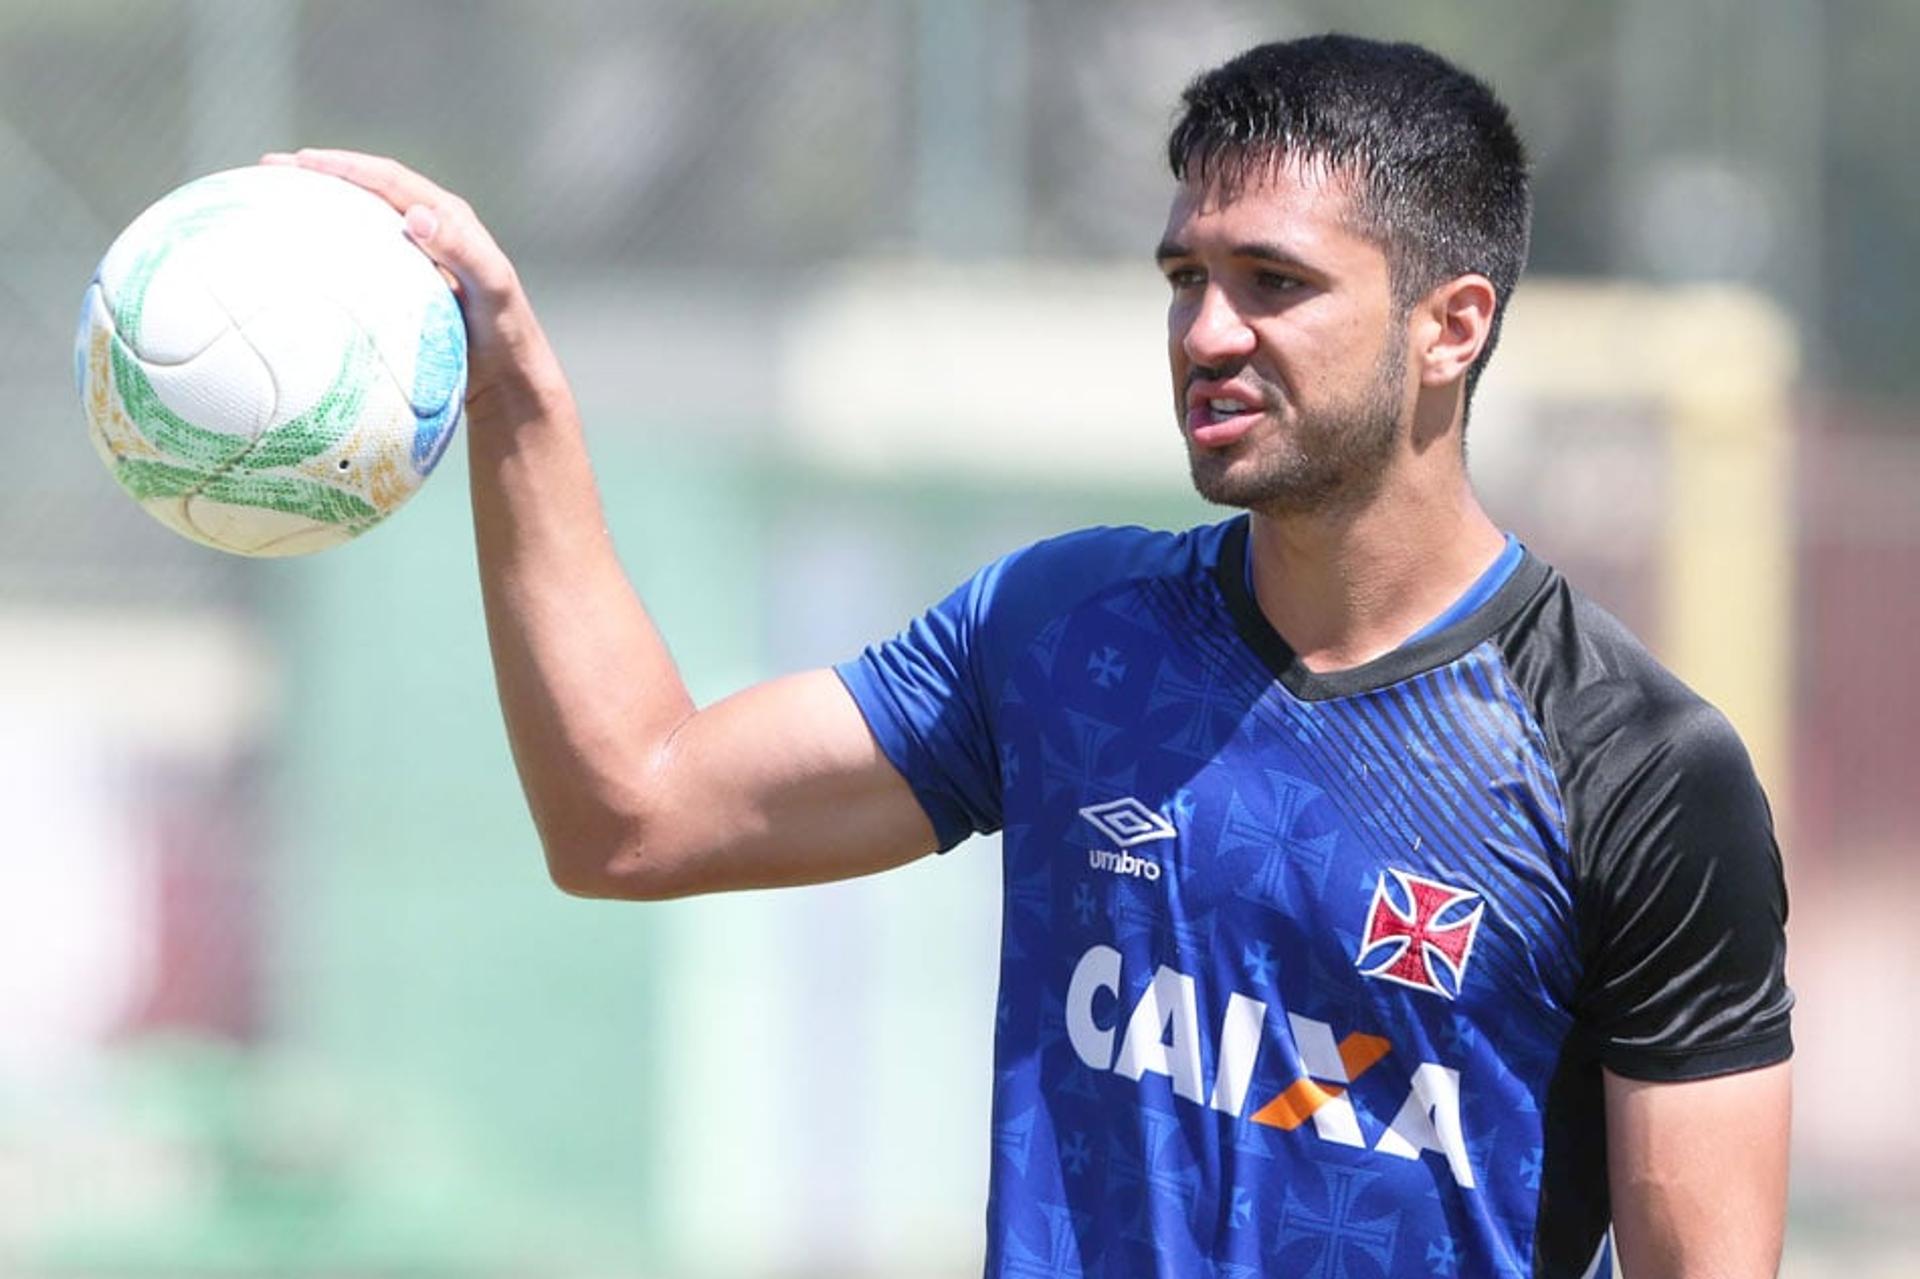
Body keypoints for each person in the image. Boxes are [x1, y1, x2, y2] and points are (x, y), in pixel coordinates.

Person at [268, 32, 1793, 1279]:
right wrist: (518, 391)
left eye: (1273, 282)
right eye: (1183, 278)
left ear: (1452, 324)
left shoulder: (1632, 771)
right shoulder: (1065, 635)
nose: (1205, 331)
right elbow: (633, 813)